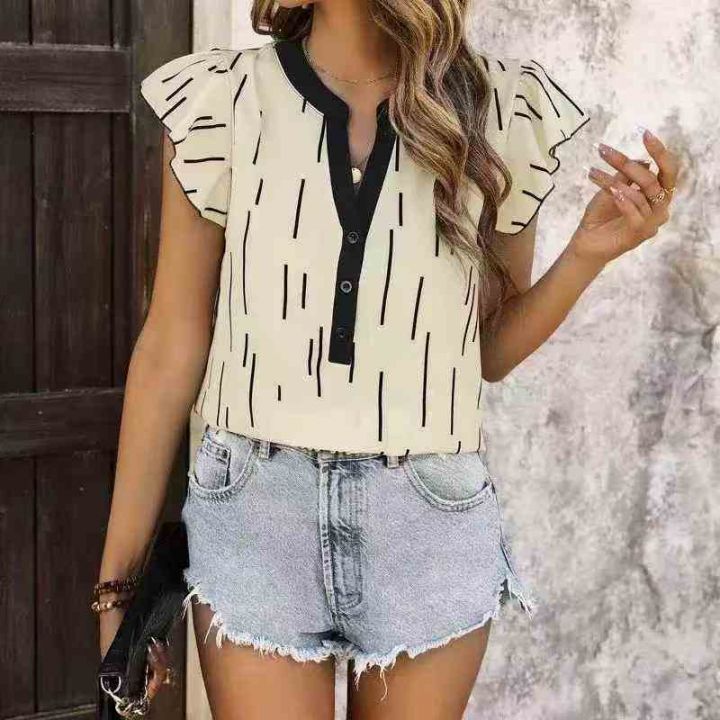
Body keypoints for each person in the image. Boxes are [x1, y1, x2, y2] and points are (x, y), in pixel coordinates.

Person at [97, 0, 678, 717]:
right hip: (256, 510)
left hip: (427, 515)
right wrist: (116, 588)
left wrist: (586, 255)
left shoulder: (501, 110)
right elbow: (170, 345)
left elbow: (489, 352)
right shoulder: (222, 101)